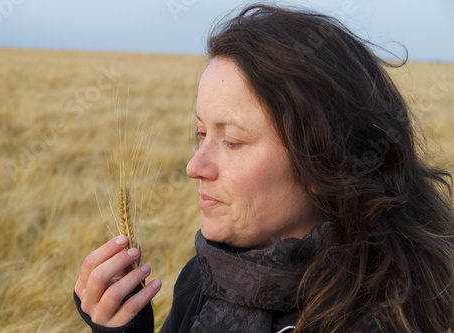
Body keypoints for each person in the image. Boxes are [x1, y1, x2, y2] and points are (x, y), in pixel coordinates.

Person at [73, 4, 454, 332]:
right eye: (200, 132)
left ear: (324, 161)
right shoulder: (203, 279)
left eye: (233, 142)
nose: (194, 166)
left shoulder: (402, 313)